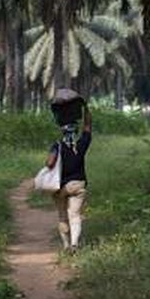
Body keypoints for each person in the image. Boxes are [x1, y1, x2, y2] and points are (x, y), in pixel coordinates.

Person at [46, 104, 92, 253]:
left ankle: (65, 245)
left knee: (62, 216)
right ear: (75, 131)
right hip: (78, 185)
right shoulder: (81, 144)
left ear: (62, 131)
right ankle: (74, 244)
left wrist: (50, 163)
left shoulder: (57, 146)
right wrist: (86, 109)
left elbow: (50, 163)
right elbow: (88, 127)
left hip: (61, 187)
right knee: (75, 215)